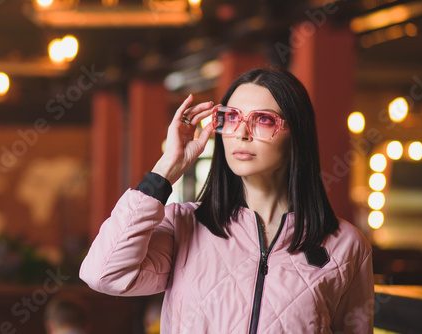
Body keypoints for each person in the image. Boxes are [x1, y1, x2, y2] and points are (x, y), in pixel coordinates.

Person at [80, 68, 374, 333]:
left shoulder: (345, 244)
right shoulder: (185, 225)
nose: (241, 134)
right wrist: (166, 169)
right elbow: (104, 274)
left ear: (296, 133)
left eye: (263, 120)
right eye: (231, 118)